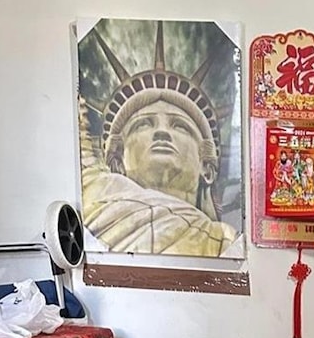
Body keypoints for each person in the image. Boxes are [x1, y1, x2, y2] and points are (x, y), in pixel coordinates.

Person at [79, 27, 241, 257]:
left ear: (207, 168)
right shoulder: (97, 193)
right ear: (116, 161)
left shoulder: (223, 241)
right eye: (143, 124)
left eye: (180, 126)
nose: (162, 132)